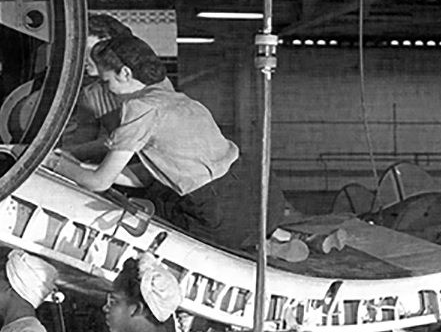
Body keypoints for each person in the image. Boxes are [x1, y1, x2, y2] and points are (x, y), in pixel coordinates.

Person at [48, 34, 281, 250]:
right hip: (264, 198)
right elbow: (154, 173)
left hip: (220, 217)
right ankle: (274, 241)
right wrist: (80, 168)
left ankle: (263, 245)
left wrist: (54, 164)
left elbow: (99, 182)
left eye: (106, 81)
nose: (107, 89)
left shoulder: (140, 108)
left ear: (126, 73)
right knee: (156, 192)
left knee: (136, 212)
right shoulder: (178, 100)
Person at [61, 13, 136, 159]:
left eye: (89, 51)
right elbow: (82, 141)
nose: (83, 58)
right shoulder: (90, 94)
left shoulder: (151, 86)